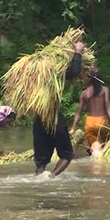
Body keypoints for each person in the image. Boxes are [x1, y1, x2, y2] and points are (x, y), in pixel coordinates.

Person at [33, 42, 85, 176]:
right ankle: (52, 177)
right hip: (54, 116)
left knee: (41, 161)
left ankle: (39, 177)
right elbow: (74, 72)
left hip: (39, 117)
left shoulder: (33, 76)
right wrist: (78, 51)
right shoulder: (54, 74)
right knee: (67, 155)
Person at [70, 68, 110, 153]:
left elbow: (78, 113)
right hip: (102, 122)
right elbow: (108, 108)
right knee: (106, 148)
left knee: (94, 150)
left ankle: (94, 159)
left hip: (89, 123)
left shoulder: (84, 93)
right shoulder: (104, 90)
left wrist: (73, 128)